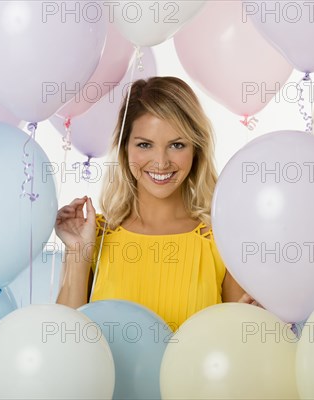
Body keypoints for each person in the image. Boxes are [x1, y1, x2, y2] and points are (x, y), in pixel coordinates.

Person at [56, 76, 258, 330]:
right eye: (145, 145)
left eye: (176, 145)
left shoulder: (220, 241)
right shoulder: (95, 235)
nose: (161, 162)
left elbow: (235, 347)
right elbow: (63, 341)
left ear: (196, 149)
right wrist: (78, 251)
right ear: (124, 148)